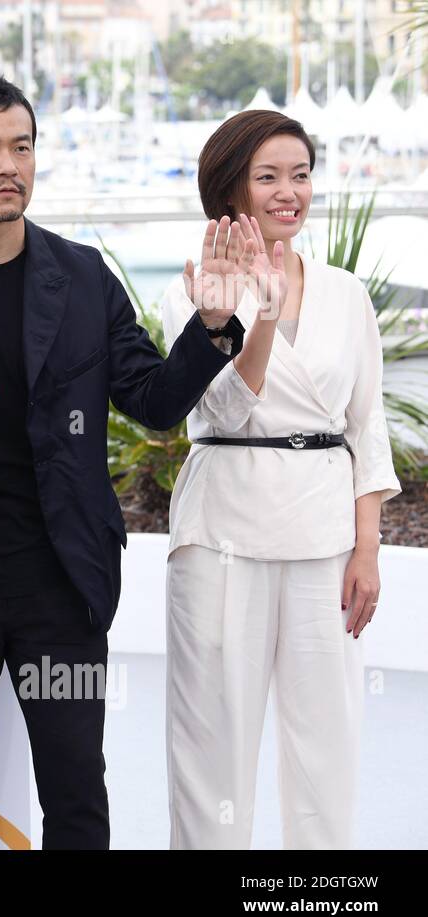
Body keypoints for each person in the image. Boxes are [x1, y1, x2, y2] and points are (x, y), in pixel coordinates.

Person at [0, 76, 247, 849]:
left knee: (75, 787)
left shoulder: (83, 275)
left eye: (22, 147)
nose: (9, 165)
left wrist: (213, 327)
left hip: (59, 579)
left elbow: (156, 400)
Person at [161, 110, 400, 849]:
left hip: (325, 536)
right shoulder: (196, 288)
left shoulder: (344, 293)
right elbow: (227, 406)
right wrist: (254, 314)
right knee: (212, 744)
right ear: (230, 186)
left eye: (300, 174)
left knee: (327, 742)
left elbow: (366, 426)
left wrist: (367, 549)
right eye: (268, 176)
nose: (288, 192)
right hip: (222, 531)